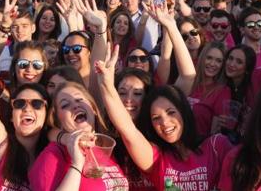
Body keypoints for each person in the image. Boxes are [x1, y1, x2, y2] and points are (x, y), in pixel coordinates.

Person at [96, 43, 233, 190]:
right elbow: (128, 129)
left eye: (171, 112)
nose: (165, 122)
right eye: (156, 118)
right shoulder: (156, 158)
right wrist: (107, 85)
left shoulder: (216, 146)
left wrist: (170, 25)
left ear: (184, 111)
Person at [29, 81, 129, 190]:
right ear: (58, 121)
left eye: (79, 100)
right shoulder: (53, 155)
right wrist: (76, 165)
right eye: (65, 105)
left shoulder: (104, 149)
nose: (75, 105)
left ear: (94, 109)